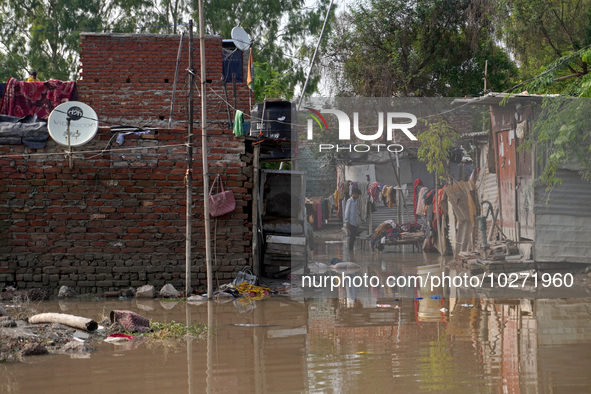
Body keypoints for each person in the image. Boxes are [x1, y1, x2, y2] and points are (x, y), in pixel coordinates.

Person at [344, 187, 361, 252]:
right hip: (350, 222)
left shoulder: (355, 202)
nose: (358, 196)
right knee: (352, 236)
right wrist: (347, 221)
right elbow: (347, 211)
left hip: (354, 222)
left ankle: (351, 249)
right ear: (354, 194)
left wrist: (357, 223)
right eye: (357, 194)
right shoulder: (350, 201)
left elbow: (355, 213)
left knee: (353, 237)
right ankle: (350, 250)